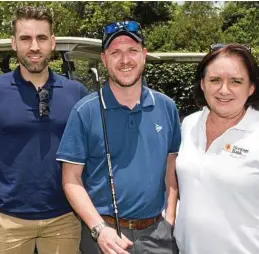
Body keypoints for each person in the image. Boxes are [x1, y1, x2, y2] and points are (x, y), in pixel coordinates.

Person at [0, 6, 88, 254]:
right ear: (14, 43)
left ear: (52, 42)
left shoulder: (76, 93)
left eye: (41, 38)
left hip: (64, 217)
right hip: (9, 219)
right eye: (25, 38)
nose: (34, 47)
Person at [174, 43, 259, 254]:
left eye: (236, 81)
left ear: (251, 87)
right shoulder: (188, 125)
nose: (224, 90)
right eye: (215, 80)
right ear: (202, 84)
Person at [57, 21, 181, 254]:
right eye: (116, 52)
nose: (125, 60)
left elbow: (170, 168)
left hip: (158, 235)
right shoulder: (85, 111)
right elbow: (71, 180)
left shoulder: (167, 107)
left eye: (132, 51)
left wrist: (170, 219)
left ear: (144, 55)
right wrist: (99, 229)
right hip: (103, 237)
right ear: (104, 59)